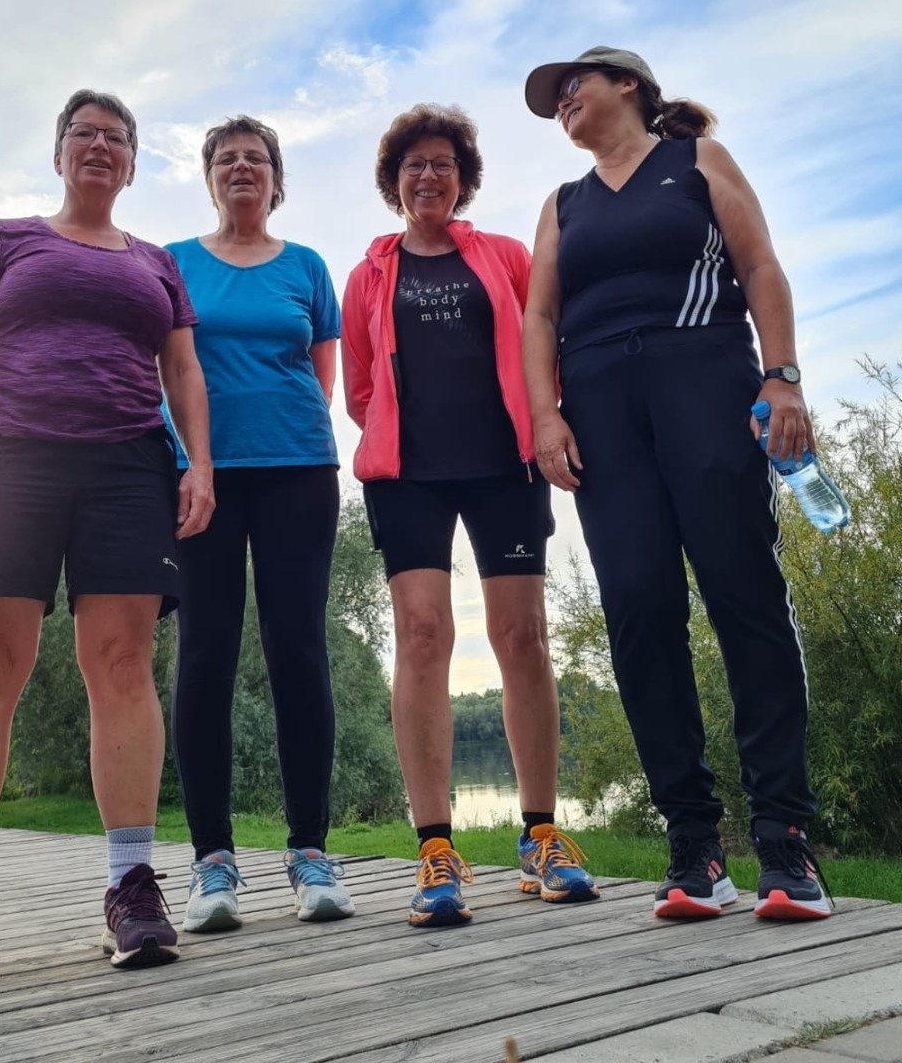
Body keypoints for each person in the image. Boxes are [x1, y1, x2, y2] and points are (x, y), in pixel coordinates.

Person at [0, 90, 214, 1000]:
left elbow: (181, 370)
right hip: (11, 457)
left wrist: (201, 467)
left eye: (117, 137)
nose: (100, 147)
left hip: (127, 466)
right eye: (85, 134)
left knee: (121, 661)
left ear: (134, 163)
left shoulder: (155, 263)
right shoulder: (5, 237)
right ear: (59, 152)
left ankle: (130, 884)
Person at [522, 46, 832, 921]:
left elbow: (761, 264)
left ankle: (784, 842)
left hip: (704, 379)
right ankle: (694, 847)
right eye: (554, 101)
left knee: (744, 596)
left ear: (628, 85)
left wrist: (782, 378)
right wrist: (547, 417)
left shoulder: (696, 161)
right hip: (601, 410)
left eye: (572, 85)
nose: (563, 104)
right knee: (638, 608)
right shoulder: (563, 204)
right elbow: (538, 314)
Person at [341, 103, 598, 928]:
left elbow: (543, 346)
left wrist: (547, 420)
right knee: (422, 636)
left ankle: (541, 835)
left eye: (442, 163)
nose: (428, 175)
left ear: (462, 178)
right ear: (394, 180)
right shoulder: (368, 273)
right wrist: (391, 433)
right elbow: (357, 386)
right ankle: (435, 850)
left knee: (521, 637)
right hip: (408, 477)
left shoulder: (506, 257)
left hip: (504, 467)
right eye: (413, 164)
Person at [162, 115, 354, 932]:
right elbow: (162, 371)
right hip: (199, 479)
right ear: (209, 178)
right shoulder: (171, 264)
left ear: (277, 181)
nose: (243, 168)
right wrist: (185, 462)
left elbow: (322, 375)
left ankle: (310, 850)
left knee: (298, 650)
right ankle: (213, 862)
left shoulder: (307, 267)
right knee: (204, 652)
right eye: (227, 159)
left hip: (298, 471)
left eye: (257, 159)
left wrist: (293, 440)